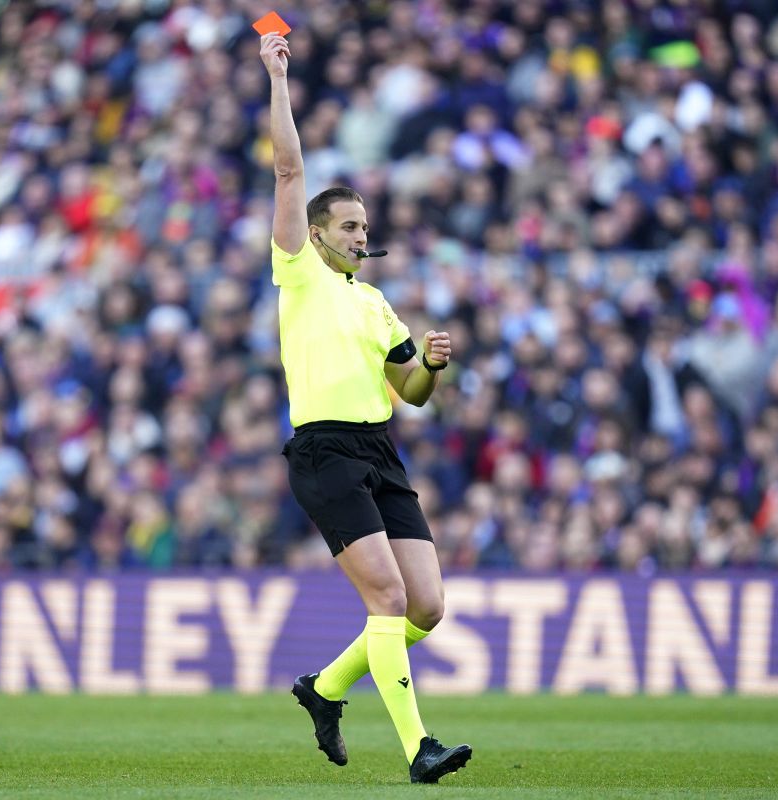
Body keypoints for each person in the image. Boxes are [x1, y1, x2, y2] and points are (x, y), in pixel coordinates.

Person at [259, 33, 472, 784]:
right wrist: (277, 79)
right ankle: (420, 750)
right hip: (323, 450)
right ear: (316, 234)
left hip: (380, 450)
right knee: (386, 595)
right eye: (349, 227)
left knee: (427, 607)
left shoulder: (378, 304)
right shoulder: (300, 273)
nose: (360, 236)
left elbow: (410, 394)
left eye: (365, 229)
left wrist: (434, 369)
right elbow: (289, 167)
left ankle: (323, 689)